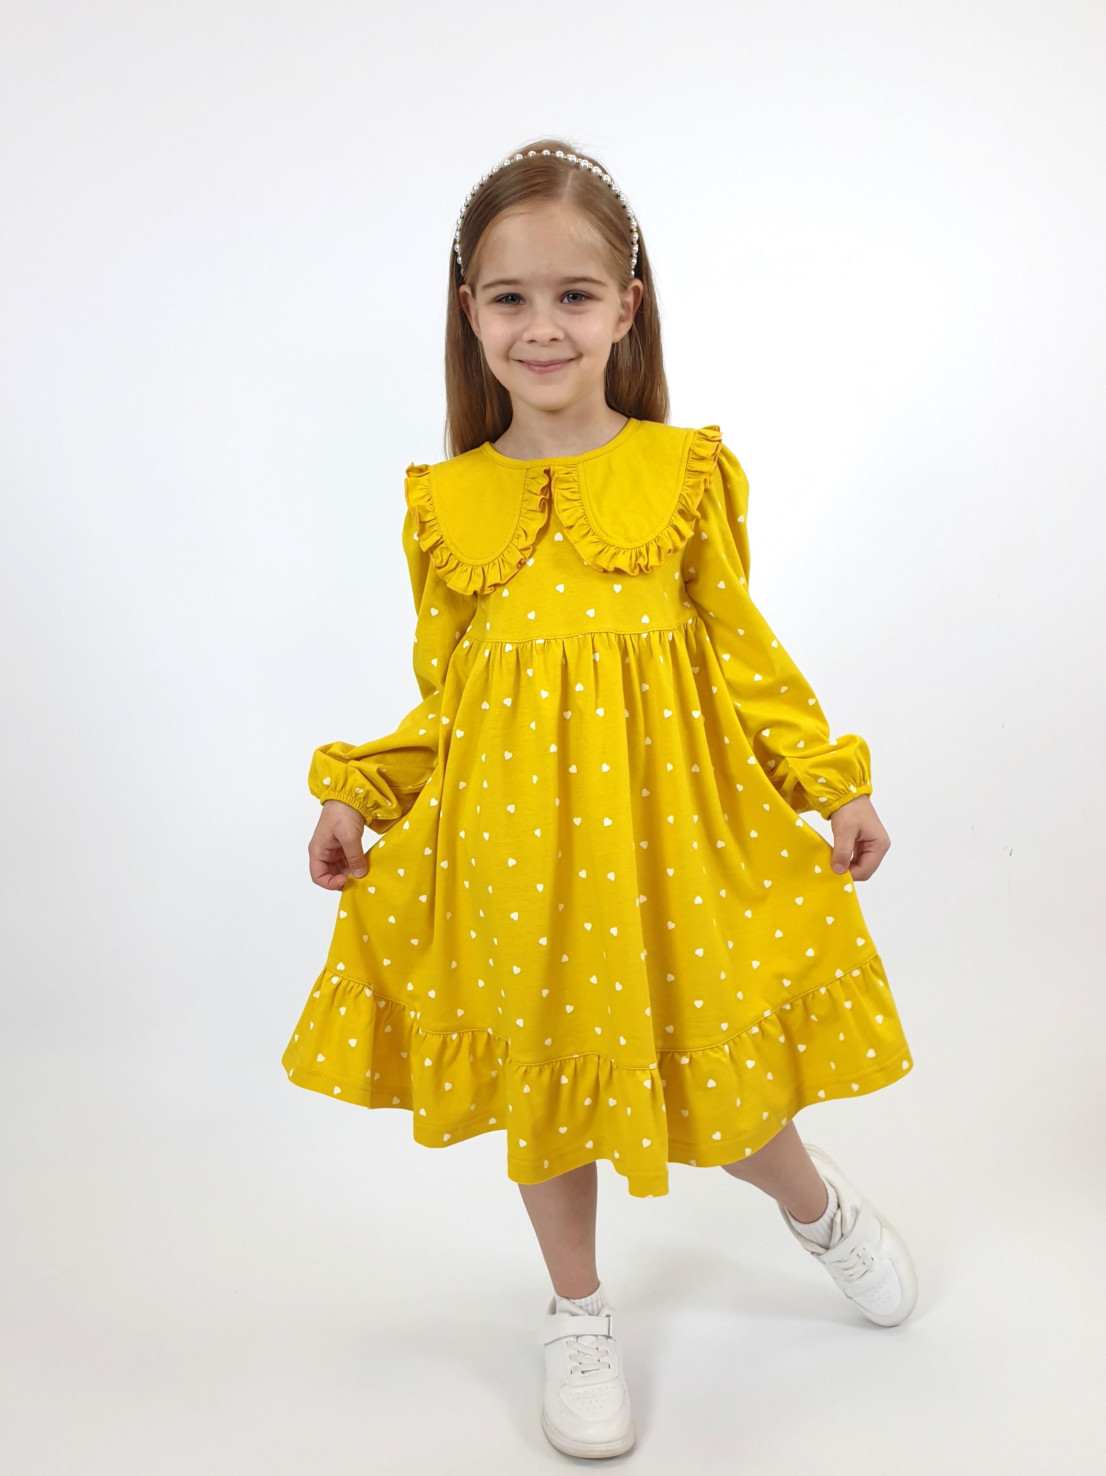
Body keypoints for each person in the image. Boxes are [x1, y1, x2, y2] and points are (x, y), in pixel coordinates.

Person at [281, 137, 918, 1460]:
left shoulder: (683, 475)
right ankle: (576, 1312)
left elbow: (742, 654)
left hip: (668, 841)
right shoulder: (448, 504)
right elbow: (448, 701)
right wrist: (364, 795)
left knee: (717, 1076)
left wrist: (826, 780)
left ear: (627, 307)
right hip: (513, 855)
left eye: (573, 295)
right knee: (546, 1085)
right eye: (510, 297)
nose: (543, 327)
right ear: (469, 311)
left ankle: (815, 1208)